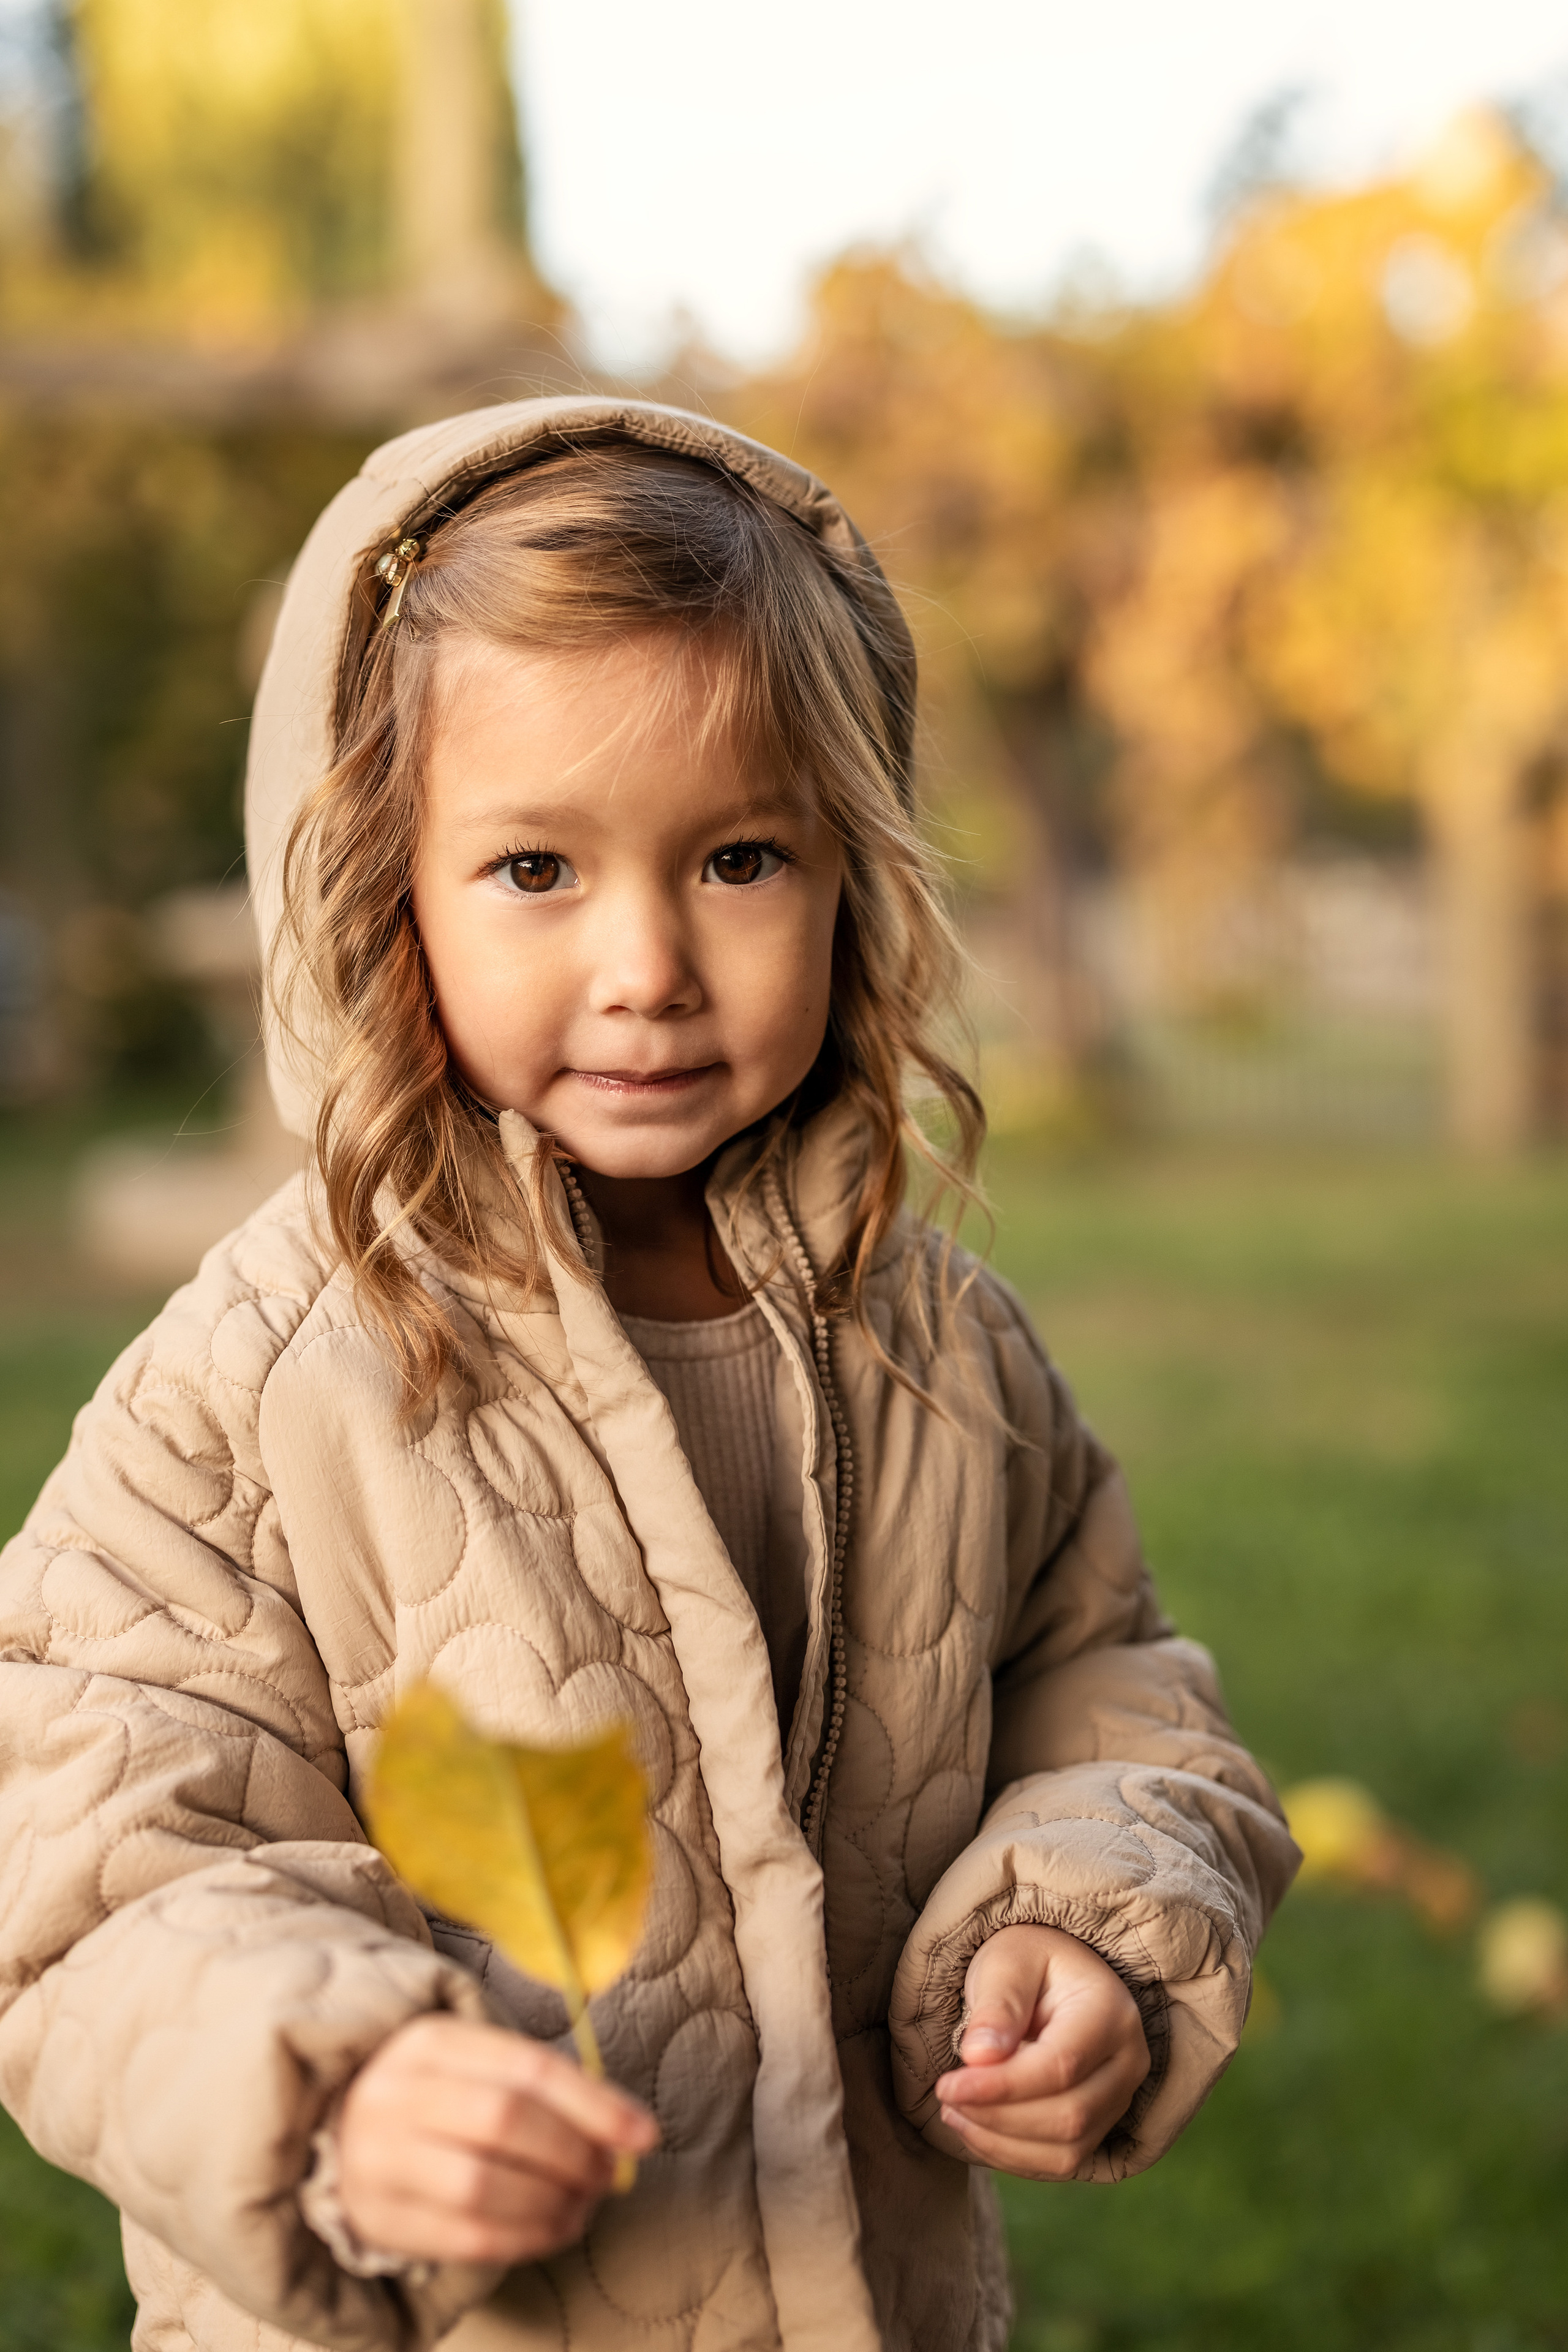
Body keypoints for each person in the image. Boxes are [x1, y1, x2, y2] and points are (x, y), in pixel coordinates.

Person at [0, 399, 1297, 2352]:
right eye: (534, 867)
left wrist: (1078, 1911)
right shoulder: (254, 1387)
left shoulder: (940, 1343)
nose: (648, 965)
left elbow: (1103, 1687)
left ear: (853, 872)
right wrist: (338, 2086)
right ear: (376, 890)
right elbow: (95, 1872)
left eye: (740, 858)